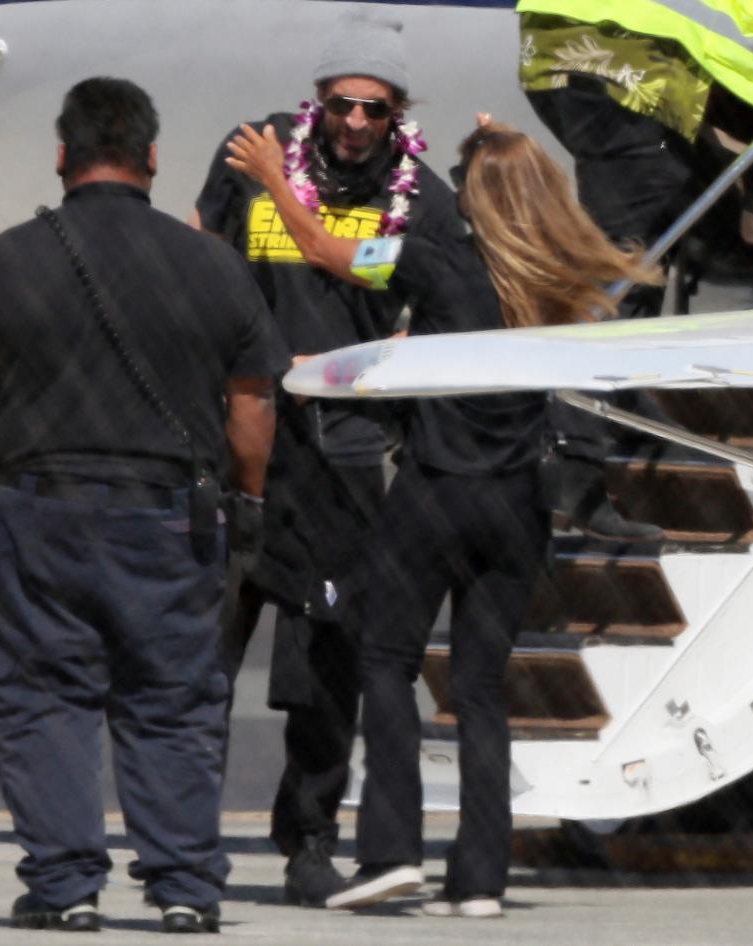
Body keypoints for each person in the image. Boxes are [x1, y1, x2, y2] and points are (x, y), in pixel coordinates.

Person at [230, 115, 660, 915]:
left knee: (385, 663)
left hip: (434, 493)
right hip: (517, 504)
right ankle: (480, 879)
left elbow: (327, 251)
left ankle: (391, 852)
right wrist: (508, 140)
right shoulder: (563, 279)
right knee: (481, 691)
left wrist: (273, 180)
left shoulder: (432, 261)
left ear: (477, 202)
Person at [0, 77, 283, 935]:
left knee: (42, 699)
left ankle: (65, 886)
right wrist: (251, 501)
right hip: (167, 516)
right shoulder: (211, 264)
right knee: (173, 700)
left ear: (62, 157)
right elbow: (251, 406)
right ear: (154, 160)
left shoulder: (5, 261)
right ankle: (187, 889)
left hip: (36, 515)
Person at [193, 12, 464, 907]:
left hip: (342, 455)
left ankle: (308, 839)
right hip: (239, 439)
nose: (355, 122)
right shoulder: (253, 157)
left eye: (375, 110)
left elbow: (376, 279)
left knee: (327, 672)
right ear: (320, 101)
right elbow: (202, 248)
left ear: (397, 116)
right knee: (201, 660)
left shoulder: (421, 200)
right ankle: (183, 837)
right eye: (342, 103)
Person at [515, 0, 753, 540]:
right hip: (616, 63)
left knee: (654, 235)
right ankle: (575, 463)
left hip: (608, 61)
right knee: (615, 270)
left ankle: (623, 401)